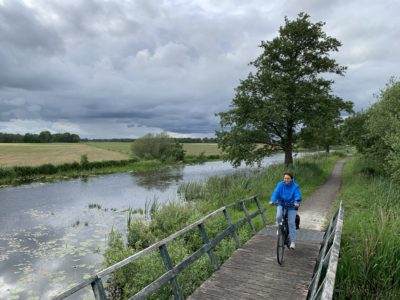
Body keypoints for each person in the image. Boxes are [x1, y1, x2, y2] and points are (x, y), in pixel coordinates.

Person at [269, 172, 301, 249]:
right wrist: (272, 200)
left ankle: (292, 242)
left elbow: (297, 195)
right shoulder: (280, 185)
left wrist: (296, 202)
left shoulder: (295, 186)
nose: (286, 180)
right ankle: (279, 227)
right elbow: (275, 193)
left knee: (291, 222)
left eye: (288, 178)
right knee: (279, 216)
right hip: (281, 204)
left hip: (292, 206)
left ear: (291, 179)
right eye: (285, 178)